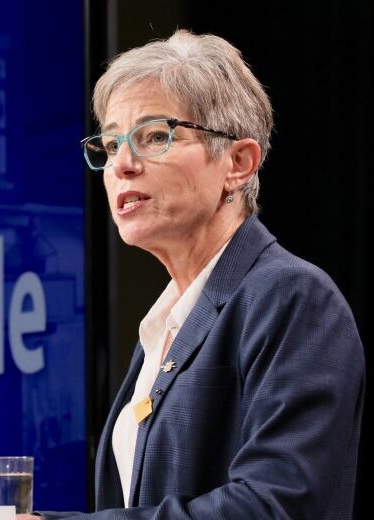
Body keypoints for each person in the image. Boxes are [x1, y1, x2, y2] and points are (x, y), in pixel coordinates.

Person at [18, 30, 364, 519]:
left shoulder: (289, 297)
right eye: (111, 143)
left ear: (238, 163)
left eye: (155, 136)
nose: (123, 164)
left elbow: (275, 504)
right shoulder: (163, 326)